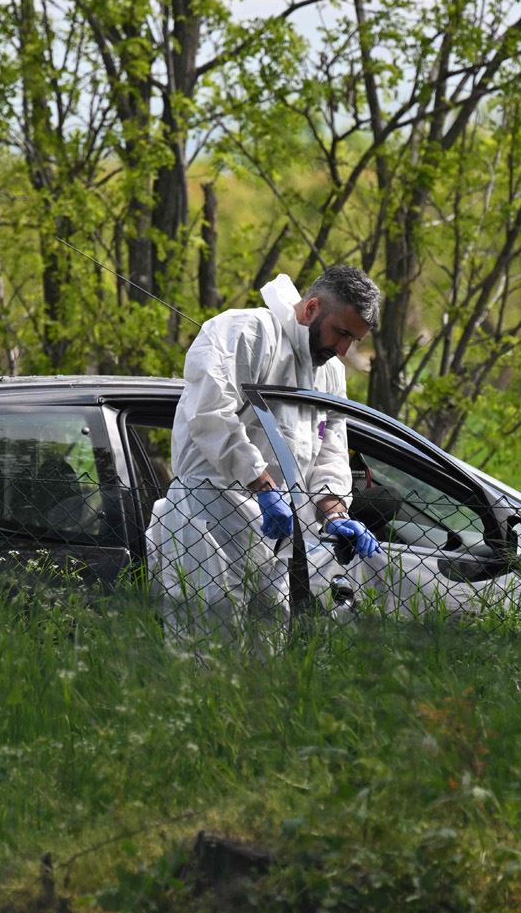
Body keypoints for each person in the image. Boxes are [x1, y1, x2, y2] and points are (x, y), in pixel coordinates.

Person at [146, 265, 383, 642]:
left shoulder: (330, 373)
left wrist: (335, 511)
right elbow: (211, 413)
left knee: (265, 655)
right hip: (208, 516)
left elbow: (330, 449)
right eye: (340, 333)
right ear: (311, 309)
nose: (342, 350)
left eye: (352, 340)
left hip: (277, 537)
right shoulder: (245, 331)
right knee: (203, 649)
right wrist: (262, 484)